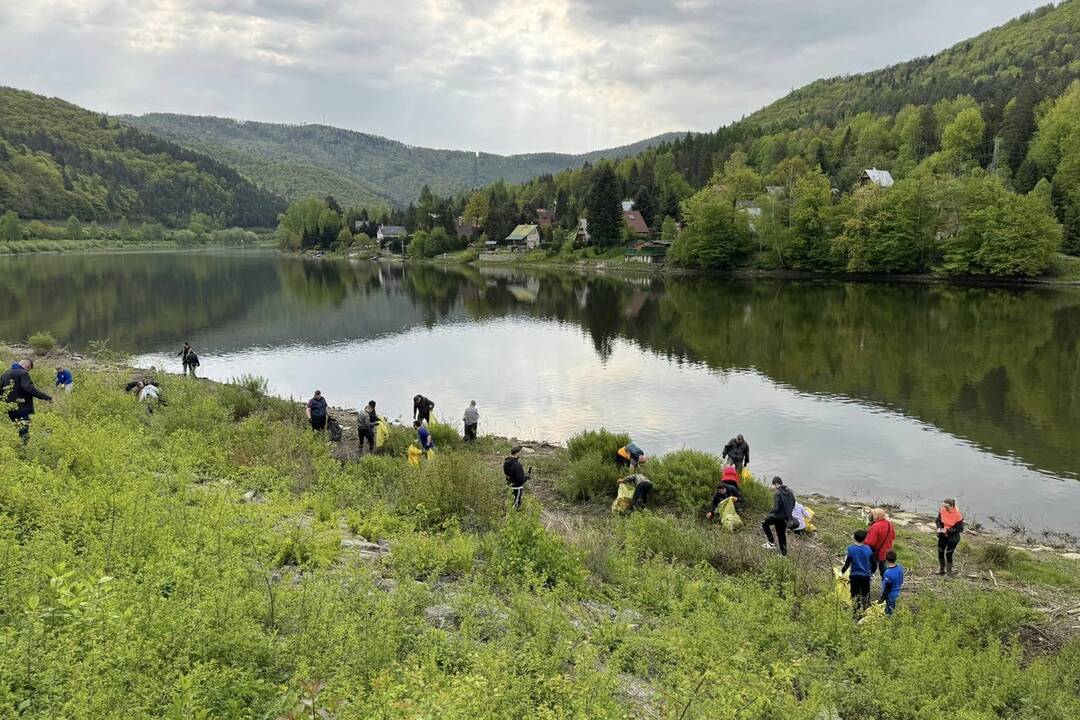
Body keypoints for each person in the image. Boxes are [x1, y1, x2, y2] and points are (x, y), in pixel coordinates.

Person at [2, 359, 52, 444]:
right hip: (22, 407)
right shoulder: (23, 373)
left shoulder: (5, 373)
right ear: (26, 366)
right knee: (24, 431)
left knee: (20, 428)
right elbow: (28, 388)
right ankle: (25, 451)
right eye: (28, 369)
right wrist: (46, 397)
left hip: (9, 407)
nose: (27, 371)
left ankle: (21, 447)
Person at [842, 529, 875, 614]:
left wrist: (842, 572)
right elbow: (874, 563)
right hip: (865, 576)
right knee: (865, 593)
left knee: (854, 594)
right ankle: (865, 610)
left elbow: (847, 564)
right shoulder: (868, 549)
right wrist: (872, 572)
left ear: (854, 537)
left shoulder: (850, 549)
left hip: (854, 576)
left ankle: (856, 612)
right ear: (865, 539)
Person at [761, 476, 795, 556]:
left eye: (774, 485)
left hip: (777, 516)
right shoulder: (790, 491)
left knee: (764, 523)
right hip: (786, 517)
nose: (774, 487)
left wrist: (771, 511)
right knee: (781, 534)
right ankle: (783, 554)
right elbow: (793, 504)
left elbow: (776, 508)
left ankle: (771, 542)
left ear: (776, 483)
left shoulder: (777, 493)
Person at [935, 498, 965, 576]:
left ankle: (949, 572)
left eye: (947, 507)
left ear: (952, 506)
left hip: (953, 538)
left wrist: (947, 530)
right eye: (944, 506)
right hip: (942, 536)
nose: (945, 508)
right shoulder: (942, 510)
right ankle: (941, 569)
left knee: (948, 554)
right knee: (940, 551)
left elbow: (960, 529)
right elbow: (938, 520)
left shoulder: (958, 515)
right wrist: (939, 527)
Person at [864, 508, 896, 577]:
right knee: (884, 572)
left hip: (876, 554)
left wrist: (864, 540)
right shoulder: (890, 524)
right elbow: (893, 537)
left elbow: (870, 543)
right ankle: (887, 585)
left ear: (876, 517)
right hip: (886, 553)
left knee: (869, 571)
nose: (870, 516)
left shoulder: (875, 526)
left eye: (872, 514)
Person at [503, 445, 530, 509]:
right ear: (517, 453)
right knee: (516, 505)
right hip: (516, 488)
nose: (520, 454)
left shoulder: (506, 462)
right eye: (520, 453)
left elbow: (508, 474)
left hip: (509, 486)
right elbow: (520, 480)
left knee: (510, 502)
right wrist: (526, 478)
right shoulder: (517, 465)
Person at [879, 550, 904, 616]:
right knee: (894, 608)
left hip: (890, 595)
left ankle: (889, 621)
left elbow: (887, 588)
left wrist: (882, 598)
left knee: (888, 611)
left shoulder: (888, 573)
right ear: (896, 558)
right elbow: (901, 580)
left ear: (886, 559)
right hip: (897, 592)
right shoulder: (899, 567)